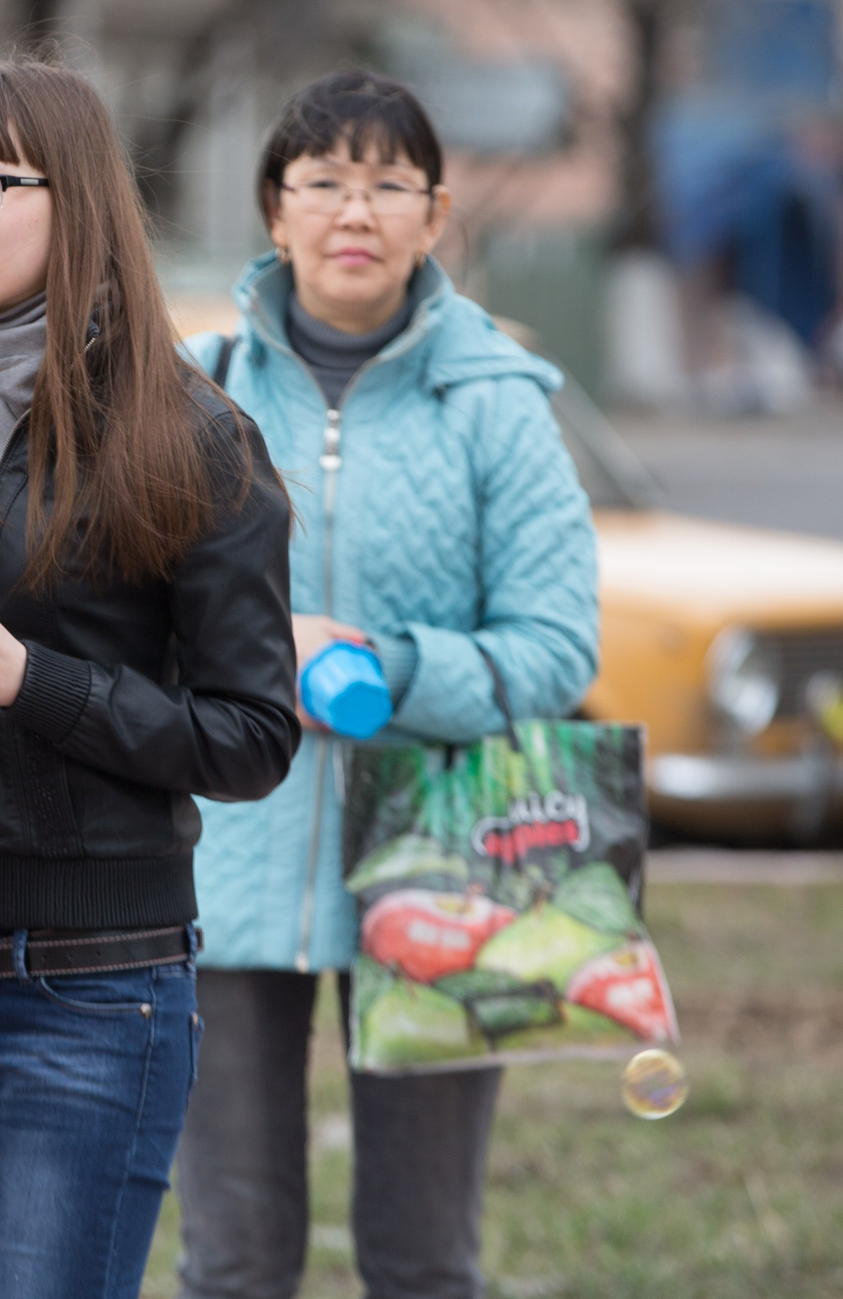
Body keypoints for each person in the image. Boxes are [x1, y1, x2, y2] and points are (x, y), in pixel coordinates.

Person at [0, 55, 301, 1299]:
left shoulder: (192, 439)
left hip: (92, 995)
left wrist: (36, 679)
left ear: (73, 198)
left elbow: (250, 736)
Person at [173, 69, 600, 1299]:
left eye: (385, 185)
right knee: (234, 1260)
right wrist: (261, 657)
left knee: (422, 1261)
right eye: (322, 183)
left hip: (450, 860)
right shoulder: (196, 389)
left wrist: (381, 666)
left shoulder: (498, 404)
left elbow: (555, 646)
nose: (352, 212)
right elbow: (135, 619)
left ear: (434, 213)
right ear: (273, 210)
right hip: (227, 853)